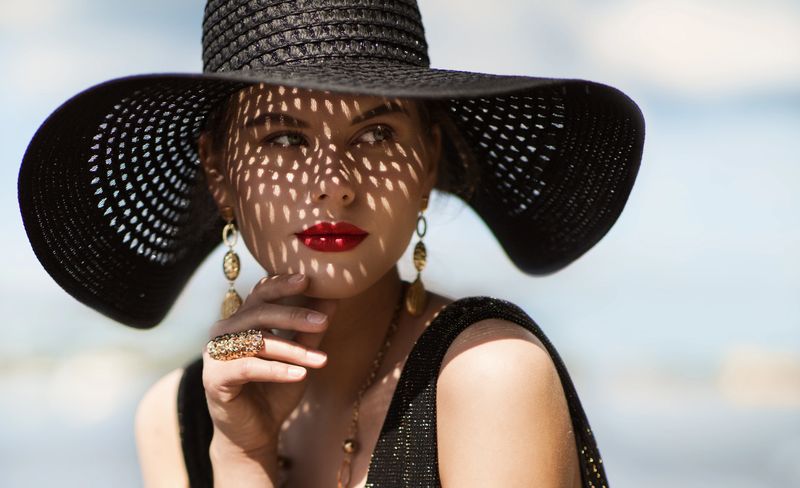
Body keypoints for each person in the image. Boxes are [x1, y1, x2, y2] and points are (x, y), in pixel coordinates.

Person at [17, 1, 645, 487]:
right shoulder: (176, 418)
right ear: (219, 173)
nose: (335, 187)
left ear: (427, 163)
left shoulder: (487, 375)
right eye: (284, 140)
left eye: (375, 135)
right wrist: (240, 459)